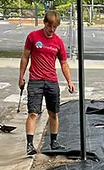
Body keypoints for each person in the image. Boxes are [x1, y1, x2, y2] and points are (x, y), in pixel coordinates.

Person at [19, 10, 75, 155]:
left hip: (51, 81)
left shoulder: (58, 42)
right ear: (45, 23)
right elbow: (25, 57)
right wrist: (21, 76)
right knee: (33, 113)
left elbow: (64, 63)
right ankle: (30, 145)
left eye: (55, 27)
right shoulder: (33, 37)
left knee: (54, 113)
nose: (52, 30)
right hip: (35, 81)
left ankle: (54, 142)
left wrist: (69, 81)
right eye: (50, 26)